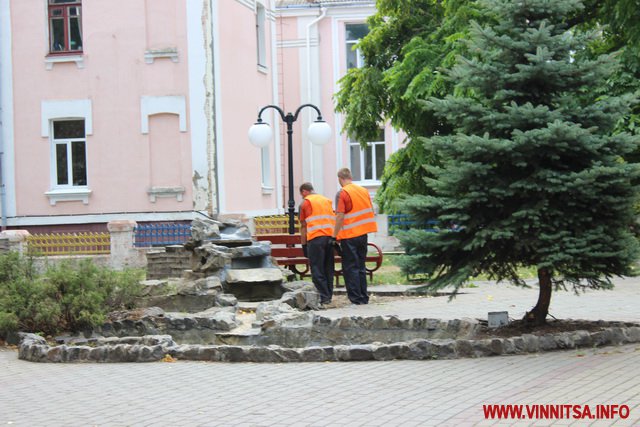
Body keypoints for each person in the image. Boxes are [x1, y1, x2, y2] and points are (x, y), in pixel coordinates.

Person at [331, 168, 377, 305]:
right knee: (361, 266)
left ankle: (356, 299)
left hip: (349, 236)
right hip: (363, 234)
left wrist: (334, 236)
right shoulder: (363, 191)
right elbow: (371, 210)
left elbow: (340, 216)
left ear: (340, 178)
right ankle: (363, 297)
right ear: (350, 177)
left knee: (351, 267)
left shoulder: (343, 193)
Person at [299, 182, 336, 305]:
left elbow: (303, 226)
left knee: (317, 269)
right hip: (330, 238)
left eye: (302, 194)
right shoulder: (327, 200)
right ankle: (329, 295)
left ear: (304, 191)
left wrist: (303, 244)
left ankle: (322, 296)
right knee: (328, 268)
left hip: (315, 238)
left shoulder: (305, 203)